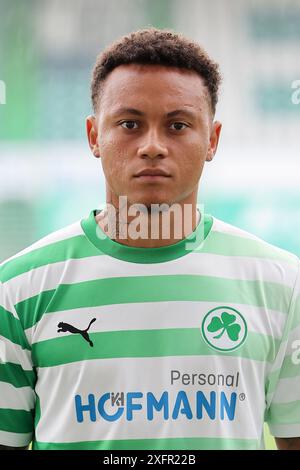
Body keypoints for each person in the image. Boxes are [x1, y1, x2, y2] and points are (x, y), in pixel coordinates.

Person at [0, 27, 299, 451]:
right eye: (129, 124)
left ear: (212, 139)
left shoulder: (283, 284)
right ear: (93, 137)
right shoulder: (18, 288)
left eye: (177, 125)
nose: (153, 146)